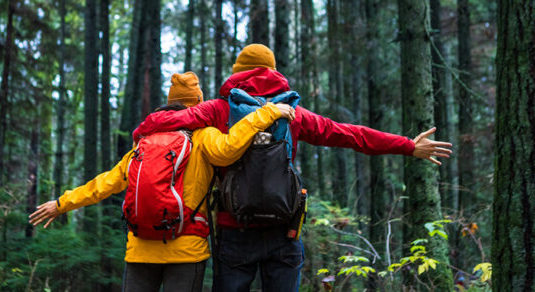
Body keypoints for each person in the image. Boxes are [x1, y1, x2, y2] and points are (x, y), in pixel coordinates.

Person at [131, 44, 453, 291]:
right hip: (284, 231)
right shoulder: (291, 112)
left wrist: (143, 129)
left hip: (233, 232)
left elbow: (167, 121)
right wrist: (408, 145)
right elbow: (351, 135)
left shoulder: (218, 110)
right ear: (273, 71)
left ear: (237, 72)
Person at [28, 72, 296, 292]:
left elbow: (104, 184)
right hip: (186, 250)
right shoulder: (203, 136)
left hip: (140, 249)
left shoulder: (145, 142)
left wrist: (61, 203)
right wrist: (266, 113)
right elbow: (229, 149)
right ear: (198, 104)